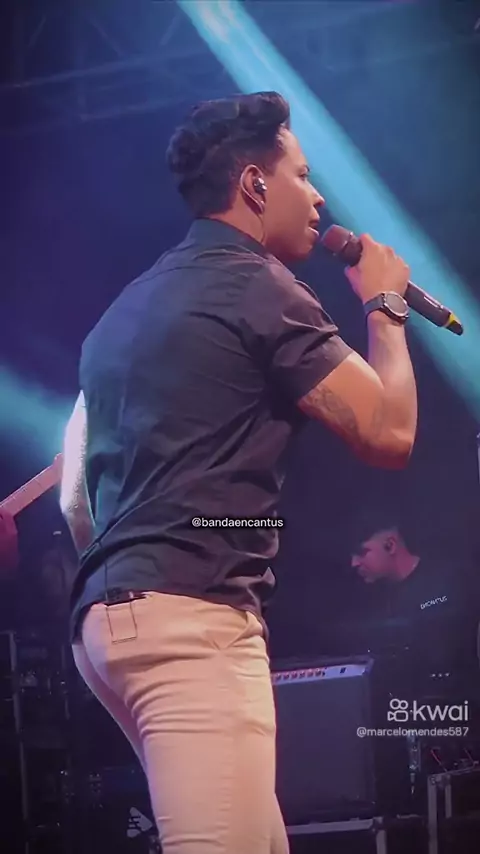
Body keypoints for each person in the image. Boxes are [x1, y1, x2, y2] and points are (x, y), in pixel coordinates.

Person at [60, 91, 417, 854]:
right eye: (302, 175)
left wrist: (130, 587)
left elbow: (73, 500)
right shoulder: (260, 288)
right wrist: (385, 305)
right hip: (192, 623)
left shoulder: (121, 313)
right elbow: (390, 433)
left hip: (104, 624)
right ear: (255, 183)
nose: (318, 197)